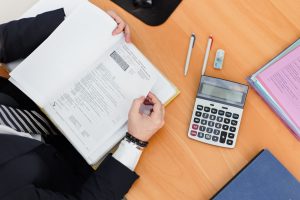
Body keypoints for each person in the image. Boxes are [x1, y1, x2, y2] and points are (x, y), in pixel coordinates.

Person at [0, 8, 165, 200]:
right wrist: (135, 142)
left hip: (46, 103)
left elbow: (5, 39)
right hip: (82, 176)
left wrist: (86, 22)